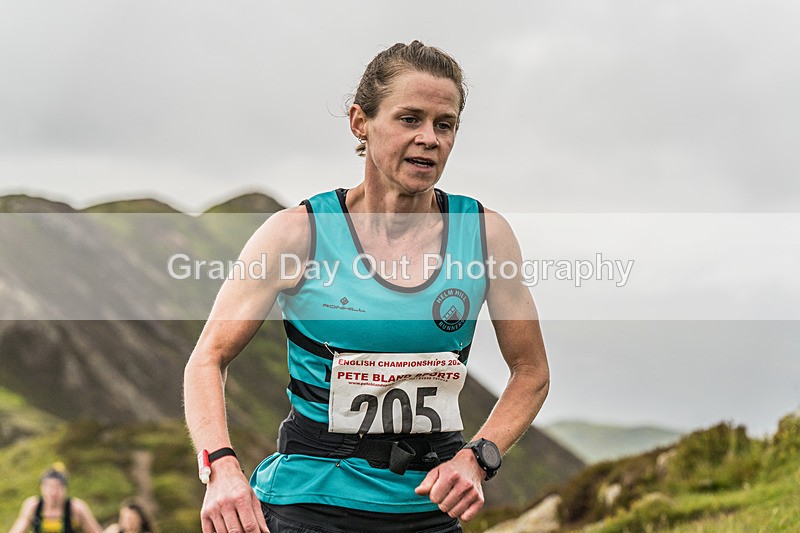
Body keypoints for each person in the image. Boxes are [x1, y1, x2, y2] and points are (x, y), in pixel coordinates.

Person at [184, 40, 550, 533]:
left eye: (445, 125)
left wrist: (478, 458)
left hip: (427, 512)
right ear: (360, 122)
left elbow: (531, 371)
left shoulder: (485, 234)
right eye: (409, 119)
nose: (430, 138)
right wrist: (221, 467)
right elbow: (208, 357)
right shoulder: (298, 233)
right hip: (309, 505)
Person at [9, 466, 103, 533]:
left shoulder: (76, 507)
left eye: (58, 487)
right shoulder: (33, 506)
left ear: (65, 489)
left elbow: (95, 531)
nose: (53, 492)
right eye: (49, 487)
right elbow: (19, 529)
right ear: (41, 488)